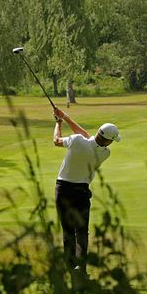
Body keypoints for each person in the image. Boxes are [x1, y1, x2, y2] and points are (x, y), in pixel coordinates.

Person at [52, 106, 121, 279]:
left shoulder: (76, 141)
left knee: (68, 231)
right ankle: (81, 269)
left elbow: (56, 140)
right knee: (81, 231)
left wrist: (59, 122)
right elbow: (87, 137)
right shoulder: (105, 153)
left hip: (63, 189)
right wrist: (65, 117)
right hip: (81, 193)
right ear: (108, 141)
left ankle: (70, 266)